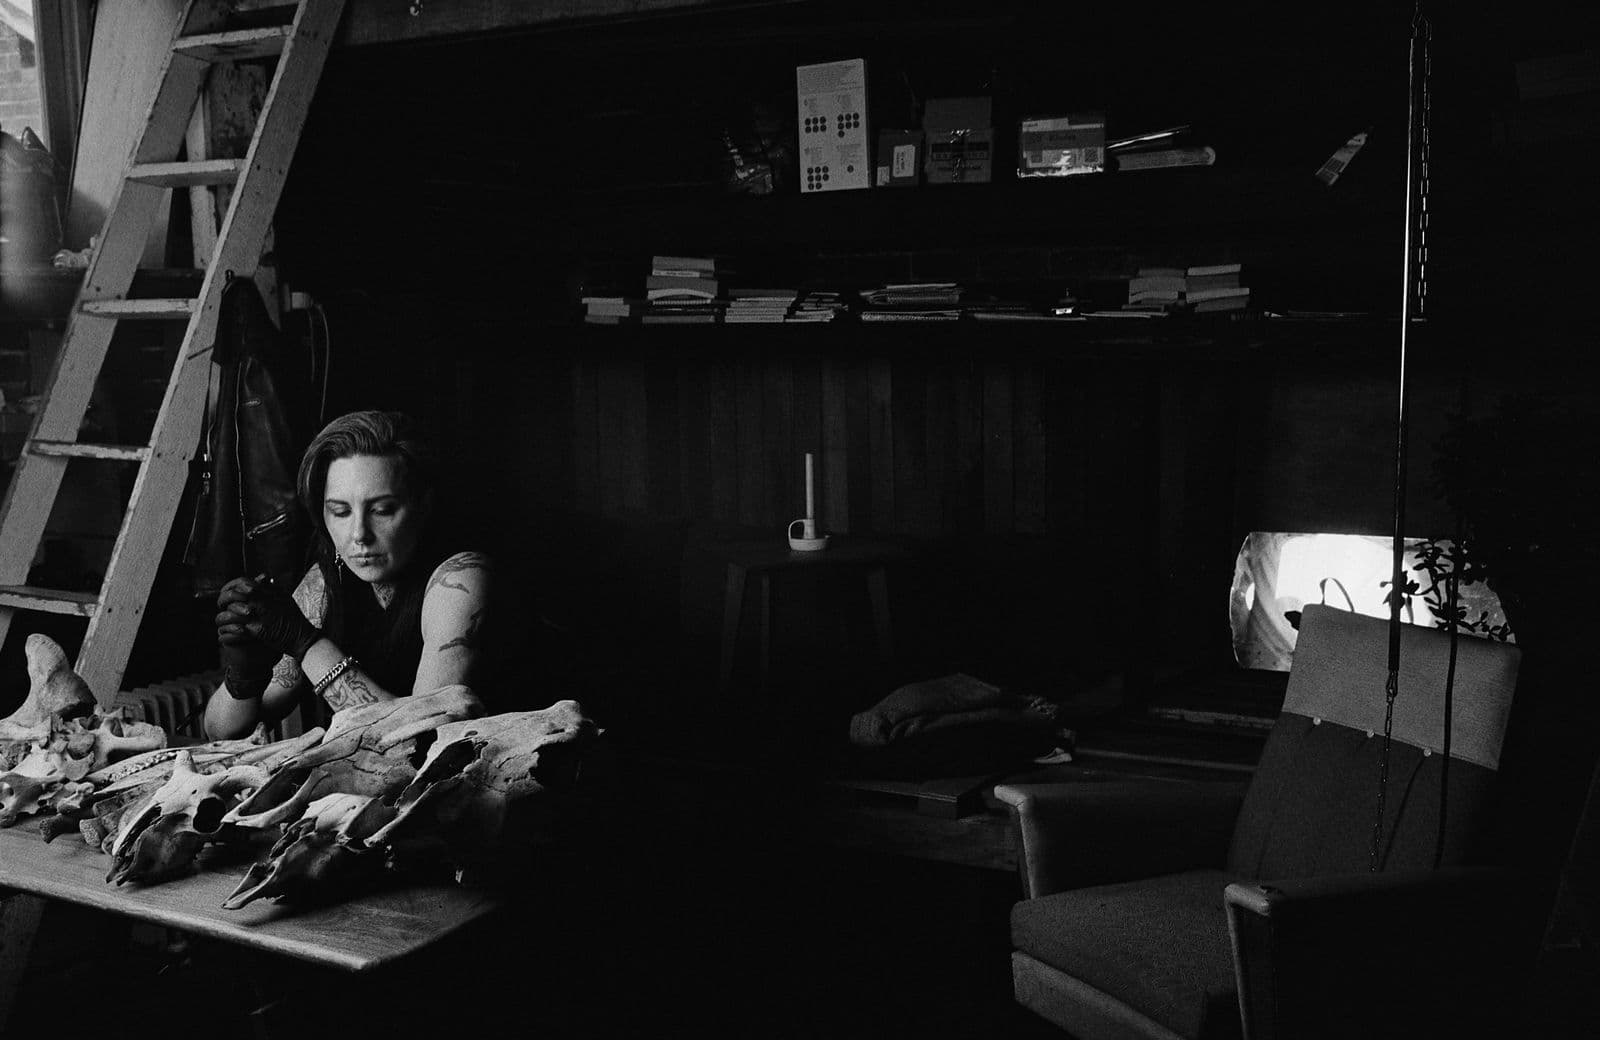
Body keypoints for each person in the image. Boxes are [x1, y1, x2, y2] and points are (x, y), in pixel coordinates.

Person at [204, 410, 492, 739]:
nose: (359, 534)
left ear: (422, 506)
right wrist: (244, 677)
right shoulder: (325, 582)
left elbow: (422, 739)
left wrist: (306, 643)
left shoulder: (461, 578)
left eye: (382, 509)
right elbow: (222, 732)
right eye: (340, 511)